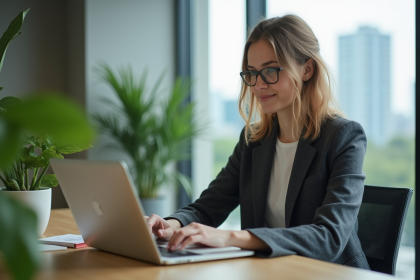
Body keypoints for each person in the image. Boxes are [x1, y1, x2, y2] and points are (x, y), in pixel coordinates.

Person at [146, 14, 370, 269]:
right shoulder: (253, 140)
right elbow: (208, 208)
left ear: (307, 69)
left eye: (271, 70)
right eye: (252, 73)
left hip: (328, 273)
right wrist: (171, 224)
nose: (258, 85)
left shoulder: (343, 136)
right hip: (269, 271)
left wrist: (230, 238)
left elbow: (329, 237)